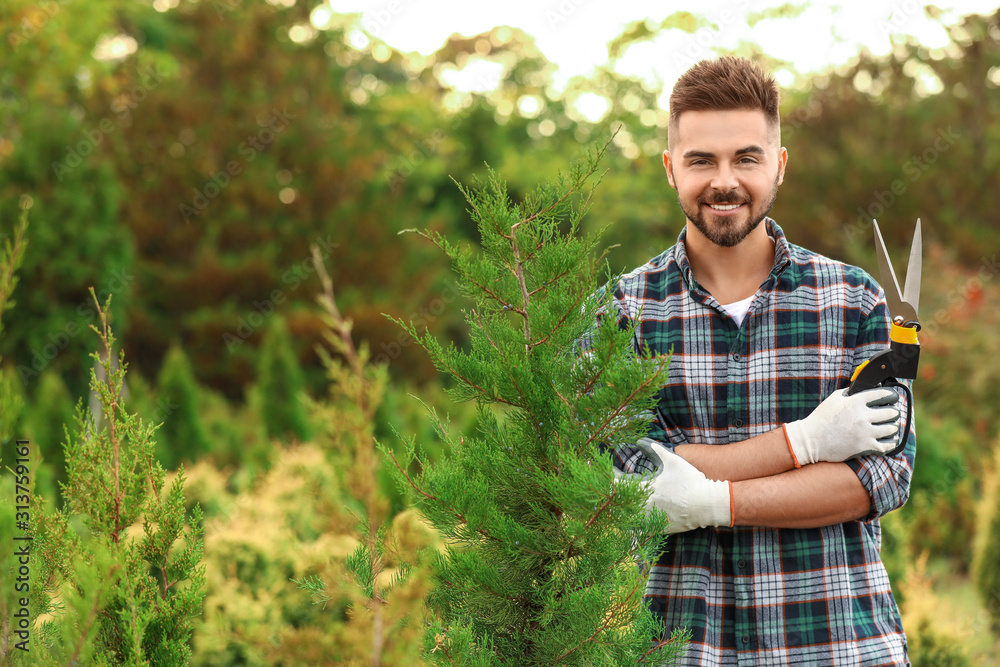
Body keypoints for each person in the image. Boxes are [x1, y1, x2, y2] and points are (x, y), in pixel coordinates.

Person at [607, 56, 915, 665]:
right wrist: (806, 444)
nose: (725, 181)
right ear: (671, 168)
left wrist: (709, 501)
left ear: (779, 164)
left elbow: (880, 478)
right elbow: (638, 479)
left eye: (746, 157)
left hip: (839, 647)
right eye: (701, 160)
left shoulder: (856, 300)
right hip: (683, 650)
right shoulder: (621, 313)